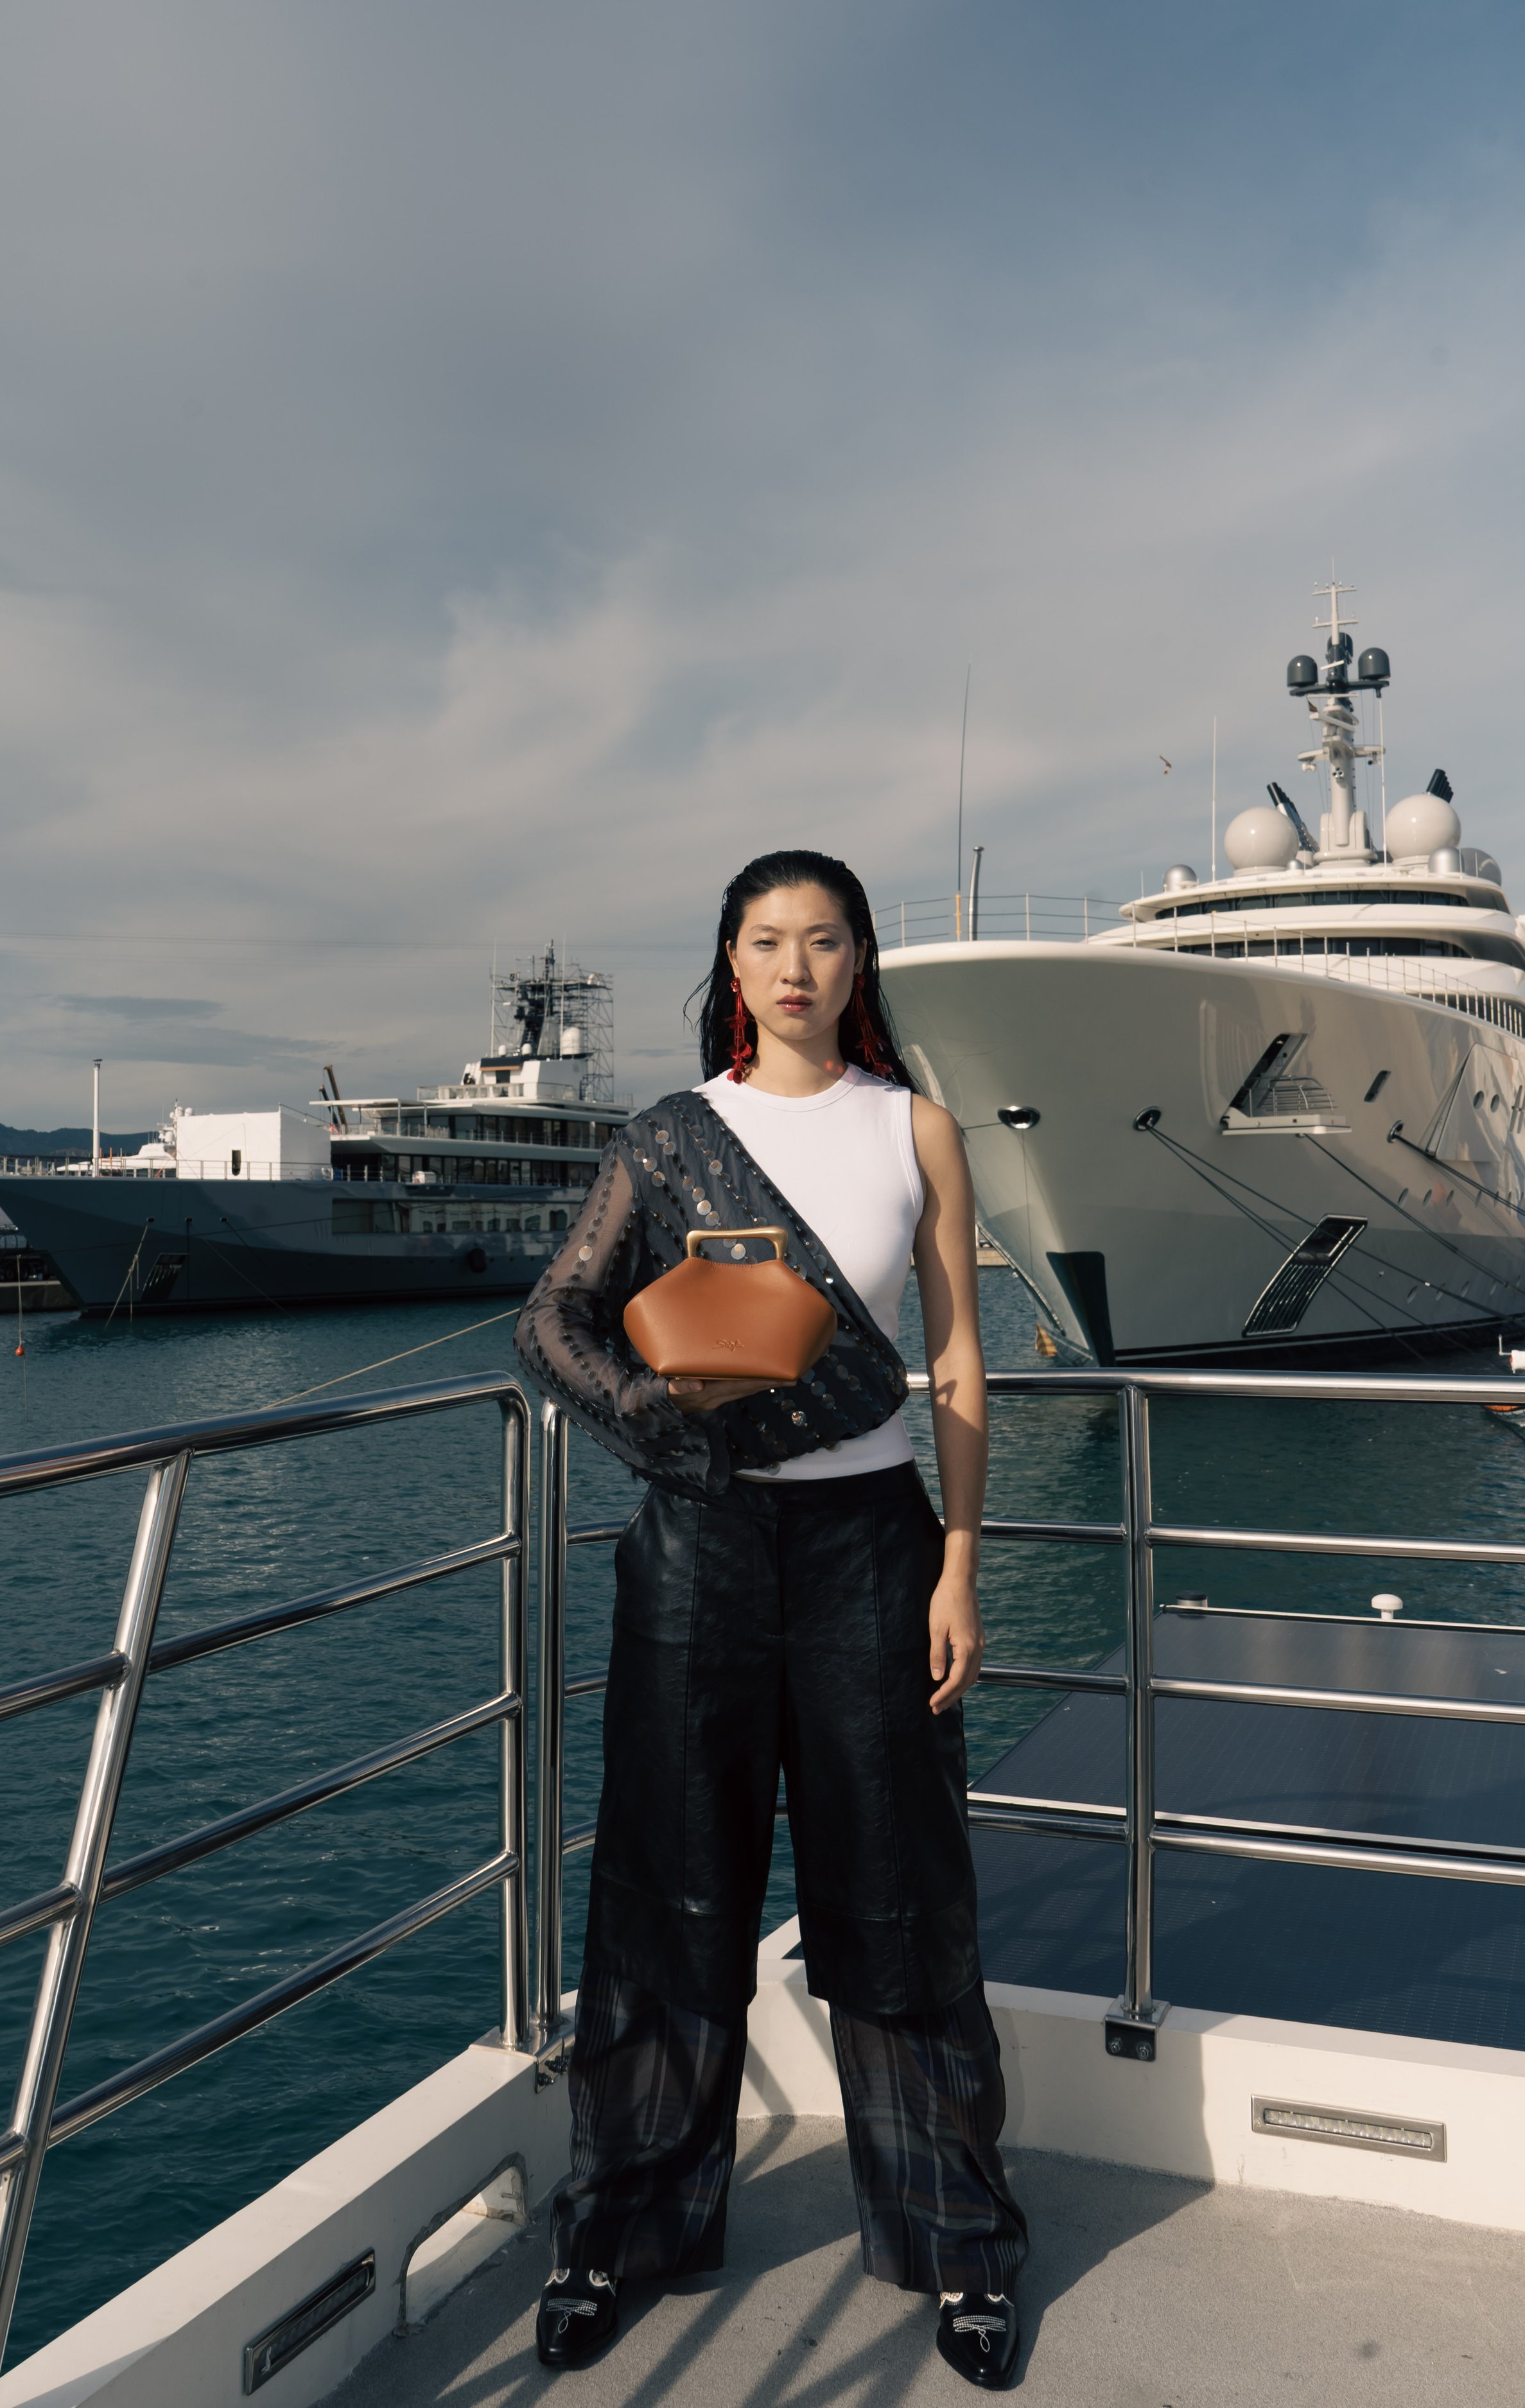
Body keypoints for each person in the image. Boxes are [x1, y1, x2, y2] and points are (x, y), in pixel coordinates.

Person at [514, 849, 1027, 2389]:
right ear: (728, 969)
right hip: (699, 1552)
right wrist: (667, 1438)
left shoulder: (914, 1130)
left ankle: (956, 2245)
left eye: (823, 939)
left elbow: (954, 1363)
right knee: (669, 1894)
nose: (794, 966)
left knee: (899, 1896)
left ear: (859, 962)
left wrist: (960, 1567)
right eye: (764, 941)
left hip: (877, 1547)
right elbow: (554, 1319)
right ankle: (621, 2230)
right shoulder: (673, 1140)